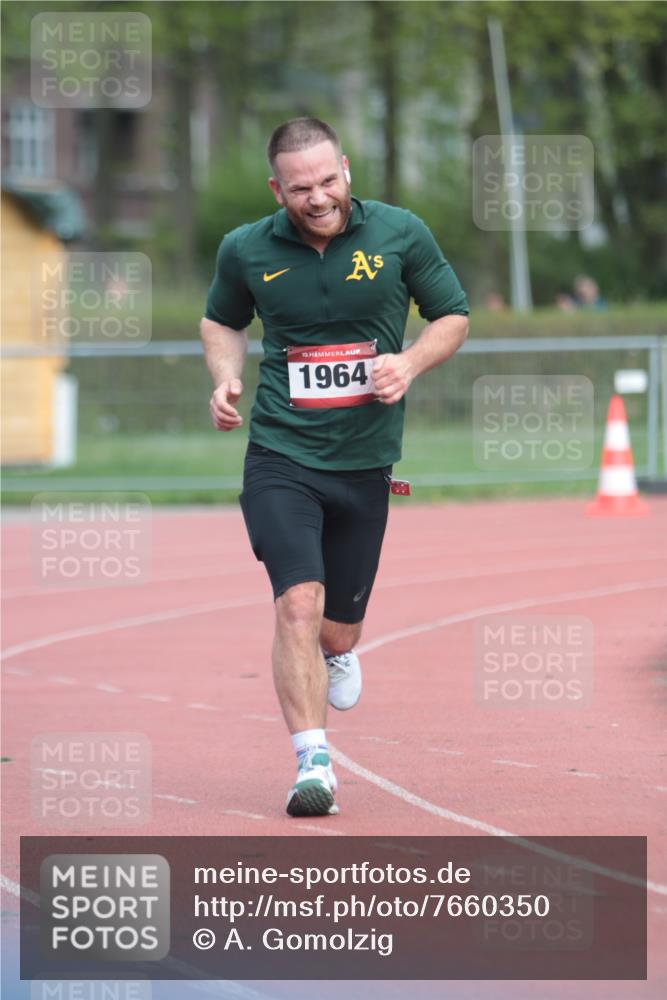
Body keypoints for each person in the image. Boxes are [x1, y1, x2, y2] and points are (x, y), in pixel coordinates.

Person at [200, 118, 469, 818]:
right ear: (275, 189)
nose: (317, 197)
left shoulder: (399, 233)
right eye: (299, 188)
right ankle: (311, 762)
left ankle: (341, 650)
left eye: (326, 181)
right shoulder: (246, 249)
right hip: (281, 453)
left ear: (345, 169)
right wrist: (224, 377)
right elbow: (221, 320)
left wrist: (408, 362)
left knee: (333, 631)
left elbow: (453, 316)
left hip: (365, 460)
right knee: (295, 601)